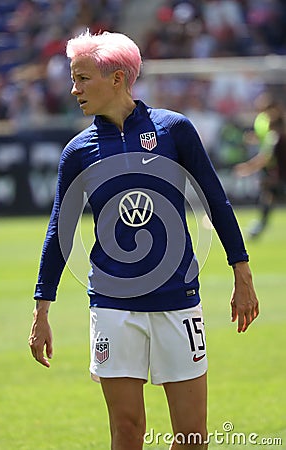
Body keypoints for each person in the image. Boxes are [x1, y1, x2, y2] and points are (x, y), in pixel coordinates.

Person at [29, 30, 259, 450]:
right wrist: (41, 308)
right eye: (73, 78)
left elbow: (216, 201)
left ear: (117, 78)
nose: (73, 88)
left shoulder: (175, 130)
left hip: (178, 298)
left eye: (82, 78)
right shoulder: (77, 151)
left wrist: (241, 271)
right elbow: (59, 231)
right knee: (128, 432)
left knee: (192, 438)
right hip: (113, 306)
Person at [235, 94, 286, 238]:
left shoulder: (274, 137)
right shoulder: (278, 136)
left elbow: (265, 157)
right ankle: (259, 228)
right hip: (278, 174)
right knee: (268, 196)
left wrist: (247, 168)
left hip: (280, 175)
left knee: (268, 196)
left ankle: (258, 228)